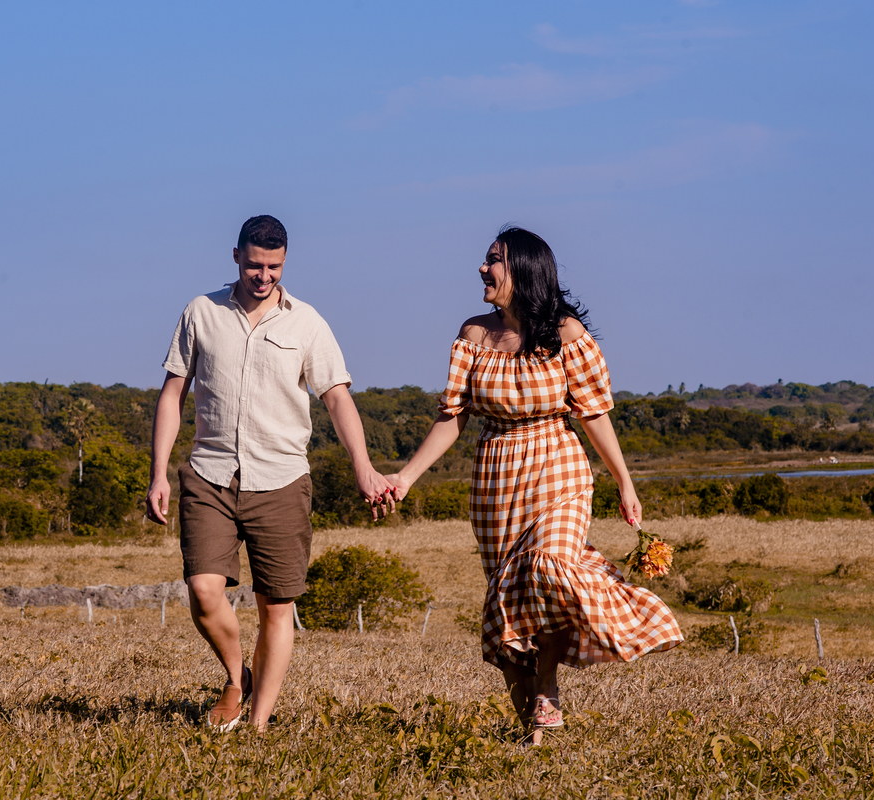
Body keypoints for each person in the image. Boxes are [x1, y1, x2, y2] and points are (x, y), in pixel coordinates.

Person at [386, 226, 682, 743]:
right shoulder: (474, 335)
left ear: (522, 269)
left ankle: (549, 679)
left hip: (557, 466)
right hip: (496, 478)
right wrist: (406, 477)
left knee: (550, 566)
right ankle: (533, 734)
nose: (482, 269)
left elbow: (594, 415)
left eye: (493, 260)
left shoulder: (565, 335)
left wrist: (624, 482)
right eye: (485, 260)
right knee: (509, 604)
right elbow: (452, 417)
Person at [146, 214, 394, 732]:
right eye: (255, 265)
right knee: (203, 591)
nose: (264, 276)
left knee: (276, 607)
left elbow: (337, 399)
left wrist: (364, 468)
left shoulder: (307, 322)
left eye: (274, 267)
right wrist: (159, 474)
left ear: (285, 262)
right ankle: (238, 679)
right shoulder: (201, 312)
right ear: (236, 255)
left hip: (281, 479)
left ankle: (258, 723)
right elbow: (173, 395)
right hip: (210, 473)